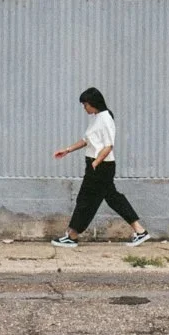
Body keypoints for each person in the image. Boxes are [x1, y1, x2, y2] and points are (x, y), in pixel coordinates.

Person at [49, 88, 151, 247]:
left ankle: (72, 235)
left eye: (85, 104)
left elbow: (108, 146)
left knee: (86, 200)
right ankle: (140, 231)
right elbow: (86, 140)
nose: (84, 108)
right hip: (98, 165)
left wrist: (95, 163)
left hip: (100, 166)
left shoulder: (105, 118)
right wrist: (67, 150)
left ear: (94, 103)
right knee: (113, 198)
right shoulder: (95, 118)